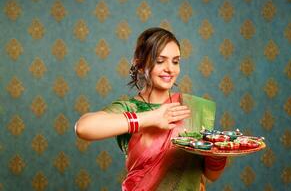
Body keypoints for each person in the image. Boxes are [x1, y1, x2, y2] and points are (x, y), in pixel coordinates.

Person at [75, 27, 227, 191]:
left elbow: (211, 175)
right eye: (160, 61)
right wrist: (152, 118)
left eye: (175, 61)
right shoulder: (130, 108)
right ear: (140, 65)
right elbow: (83, 128)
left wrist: (218, 155)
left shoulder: (192, 108)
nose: (170, 68)